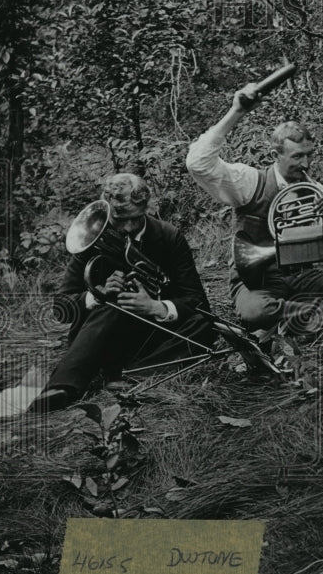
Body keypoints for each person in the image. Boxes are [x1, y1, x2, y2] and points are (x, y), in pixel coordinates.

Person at [186, 82, 323, 334]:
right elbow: (198, 164)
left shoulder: (317, 190)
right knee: (255, 311)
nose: (306, 163)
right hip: (258, 282)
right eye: (297, 157)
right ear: (275, 155)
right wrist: (236, 111)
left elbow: (322, 256)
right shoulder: (250, 182)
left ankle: (299, 319)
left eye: (309, 155)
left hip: (301, 277)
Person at [29, 174, 214, 413]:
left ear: (145, 208)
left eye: (135, 219)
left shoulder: (169, 237)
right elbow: (61, 308)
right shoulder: (92, 237)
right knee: (112, 305)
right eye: (119, 218)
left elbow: (197, 299)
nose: (127, 227)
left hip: (155, 334)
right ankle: (63, 387)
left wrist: (155, 307)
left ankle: (132, 375)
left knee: (205, 324)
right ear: (107, 212)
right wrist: (96, 295)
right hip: (106, 334)